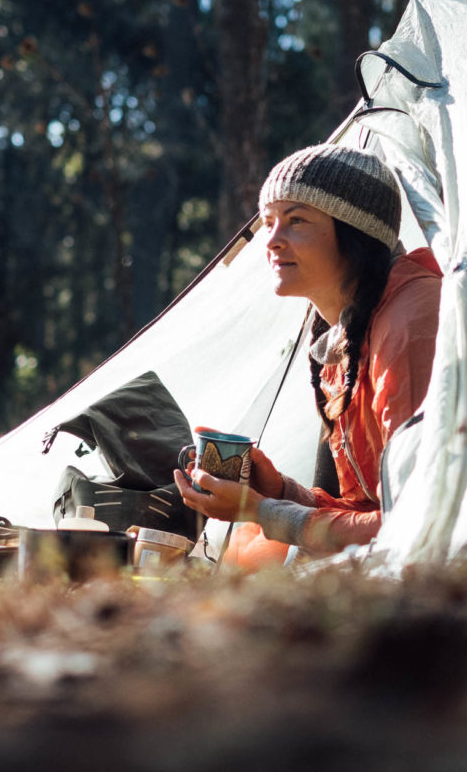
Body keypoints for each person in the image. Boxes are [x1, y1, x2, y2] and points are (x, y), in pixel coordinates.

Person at [173, 144, 442, 566]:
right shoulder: (344, 334)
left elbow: (416, 516)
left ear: (356, 233)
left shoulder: (409, 322)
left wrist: (263, 511)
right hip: (394, 555)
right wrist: (277, 492)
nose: (272, 241)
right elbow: (366, 507)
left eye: (296, 221)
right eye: (268, 223)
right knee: (250, 546)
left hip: (437, 567)